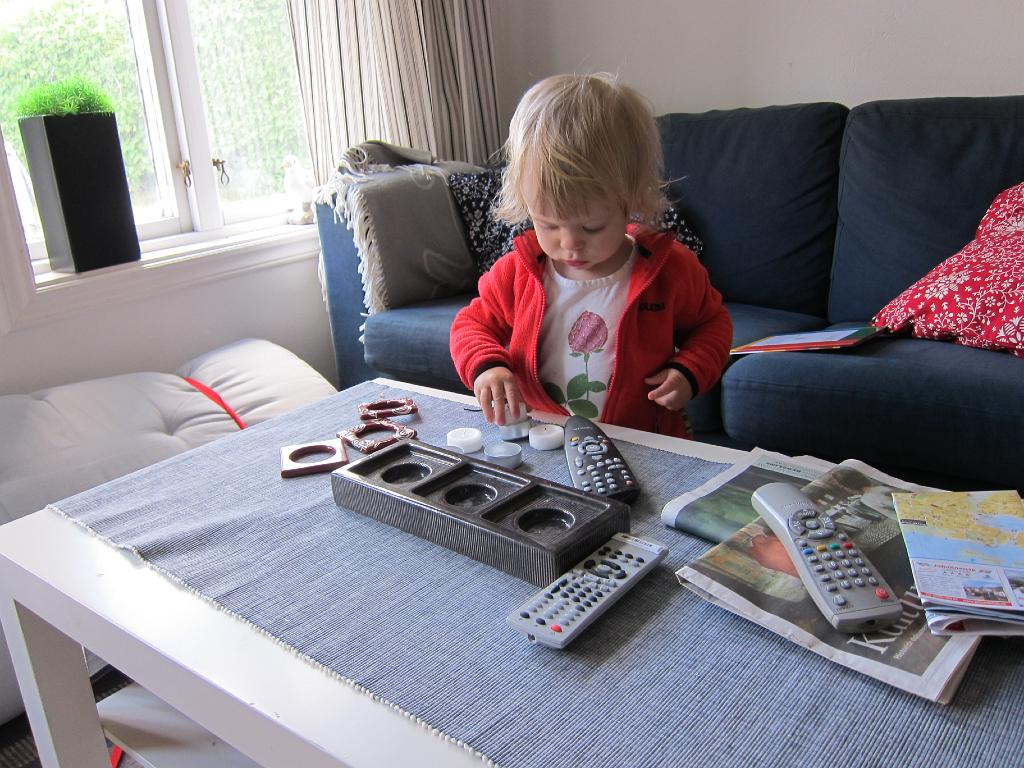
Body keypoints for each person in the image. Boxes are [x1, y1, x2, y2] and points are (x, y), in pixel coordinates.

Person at [449, 73, 731, 438]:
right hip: (543, 438)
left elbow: (712, 326)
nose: (570, 244)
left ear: (631, 200)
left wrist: (689, 371)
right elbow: (470, 326)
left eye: (592, 227)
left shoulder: (670, 269)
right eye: (548, 225)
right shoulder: (517, 272)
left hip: (645, 439)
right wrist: (487, 367)